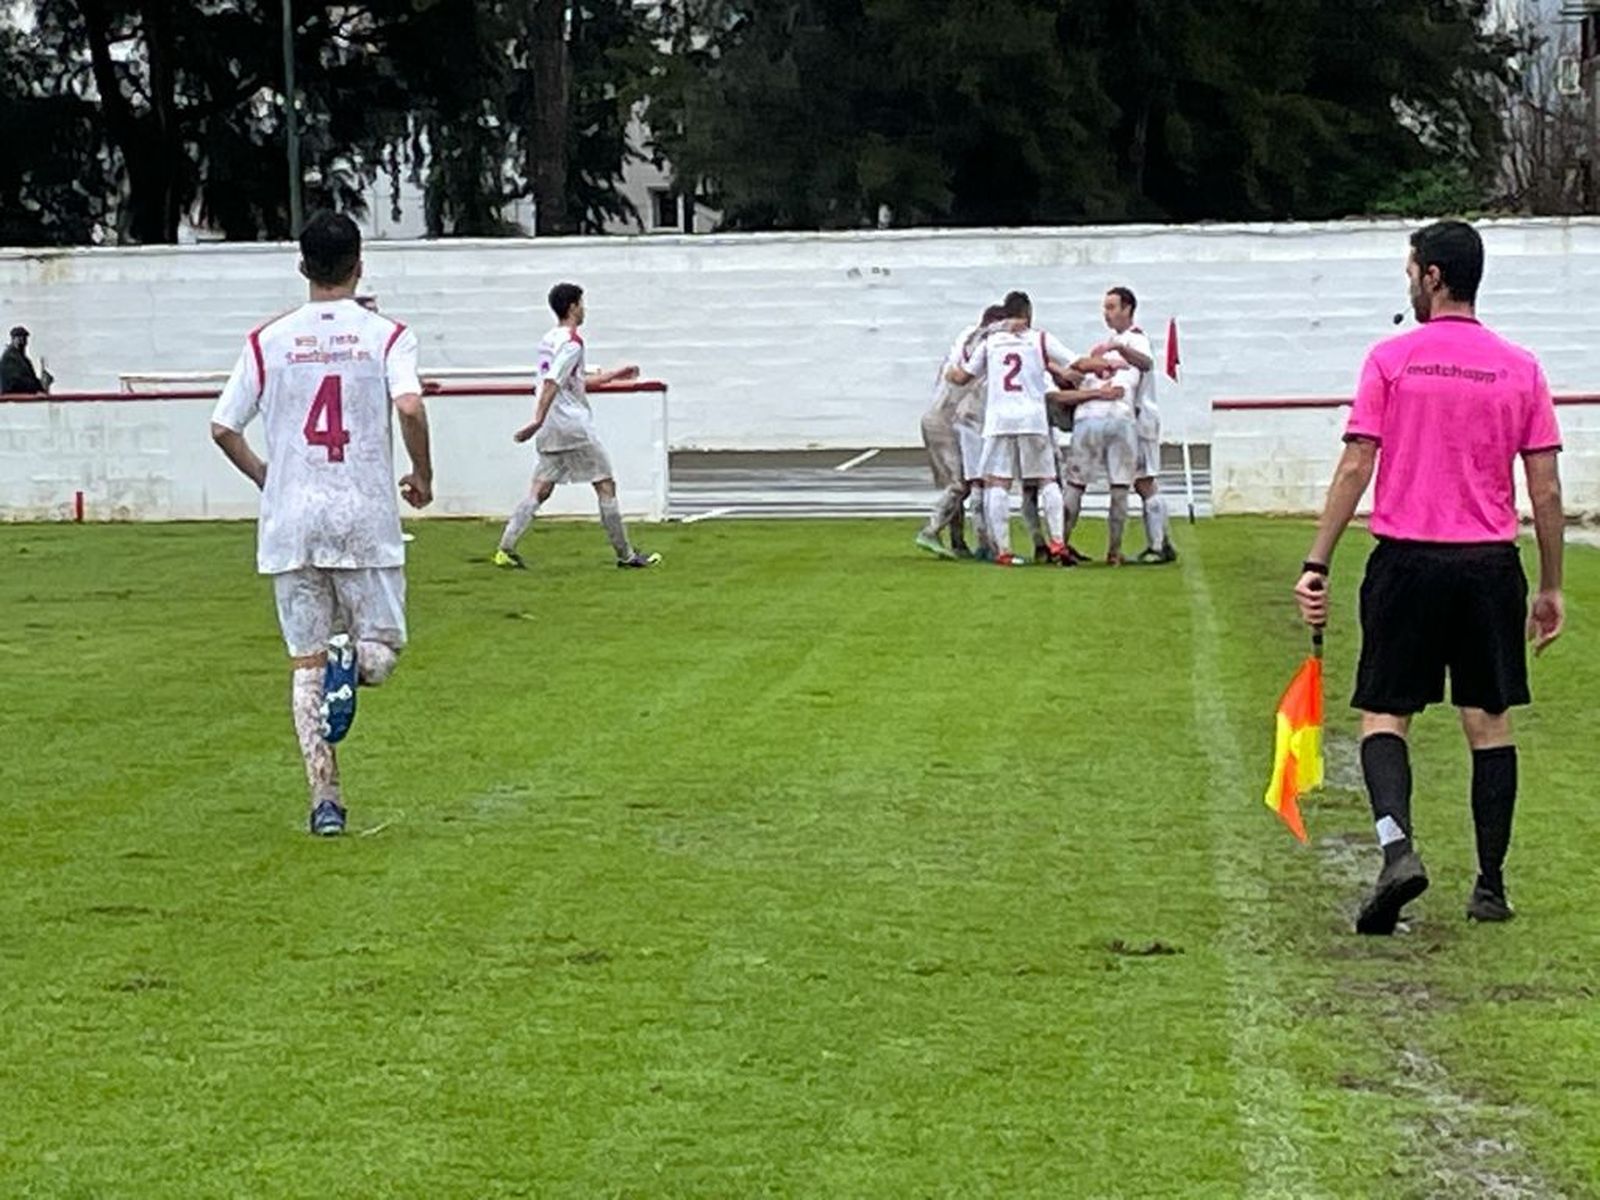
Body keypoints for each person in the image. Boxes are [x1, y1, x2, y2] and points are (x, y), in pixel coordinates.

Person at [1293, 219, 1565, 934]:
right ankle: (1491, 886)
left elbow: (1357, 463)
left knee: (1385, 714)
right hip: (1488, 567)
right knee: (1488, 721)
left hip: (1407, 561)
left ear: (1433, 276)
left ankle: (1397, 851)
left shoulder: (1392, 359)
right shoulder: (1521, 367)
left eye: (1411, 271)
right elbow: (1545, 490)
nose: (1409, 283)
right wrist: (1550, 586)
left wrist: (1317, 560)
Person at [210, 210, 434, 837]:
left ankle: (325, 801)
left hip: (293, 521)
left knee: (306, 665)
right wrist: (423, 474)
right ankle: (352, 659)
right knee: (381, 653)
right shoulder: (387, 336)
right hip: (363, 515)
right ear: (360, 265)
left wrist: (269, 478)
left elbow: (223, 427)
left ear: (302, 266)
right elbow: (409, 405)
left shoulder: (267, 340)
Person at [493, 282, 660, 570]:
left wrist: (614, 375)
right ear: (572, 307)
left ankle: (505, 549)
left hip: (551, 429)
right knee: (605, 485)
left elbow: (572, 382)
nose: (585, 309)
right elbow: (553, 381)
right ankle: (626, 555)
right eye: (582, 304)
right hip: (572, 427)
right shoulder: (572, 342)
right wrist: (536, 420)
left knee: (539, 490)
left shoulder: (548, 340)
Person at [946, 292, 1080, 566]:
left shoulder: (991, 342)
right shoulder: (1039, 339)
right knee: (1047, 480)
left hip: (999, 420)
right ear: (1028, 313)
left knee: (997, 483)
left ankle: (1004, 550)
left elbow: (962, 377)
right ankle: (1057, 543)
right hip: (1033, 419)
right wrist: (1102, 365)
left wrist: (951, 369)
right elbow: (1075, 363)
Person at [1092, 287, 1175, 563]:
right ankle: (1161, 542)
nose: (1107, 313)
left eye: (1112, 307)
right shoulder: (1114, 340)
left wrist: (1120, 350)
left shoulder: (1136, 339)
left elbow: (1146, 363)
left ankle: (1159, 545)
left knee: (1145, 481)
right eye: (1105, 308)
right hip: (1127, 419)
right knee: (1140, 481)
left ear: (1127, 309)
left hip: (1141, 418)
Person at [916, 304, 1006, 559]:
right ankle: (931, 530)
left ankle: (958, 542)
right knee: (960, 484)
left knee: (957, 483)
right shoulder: (985, 344)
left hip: (939, 415)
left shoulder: (966, 336)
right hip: (946, 417)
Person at [1060, 346, 1140, 565]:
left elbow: (1064, 374)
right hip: (1121, 419)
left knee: (1075, 485)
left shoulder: (1084, 373)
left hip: (1088, 419)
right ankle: (1114, 552)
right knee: (1119, 487)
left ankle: (1061, 544)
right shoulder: (1131, 369)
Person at [1, 326, 50, 394]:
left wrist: (41, 385)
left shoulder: (24, 360)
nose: (22, 340)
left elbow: (31, 378)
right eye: (19, 338)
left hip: (24, 395)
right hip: (13, 396)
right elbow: (16, 382)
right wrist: (36, 386)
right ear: (13, 339)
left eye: (24, 338)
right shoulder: (9, 358)